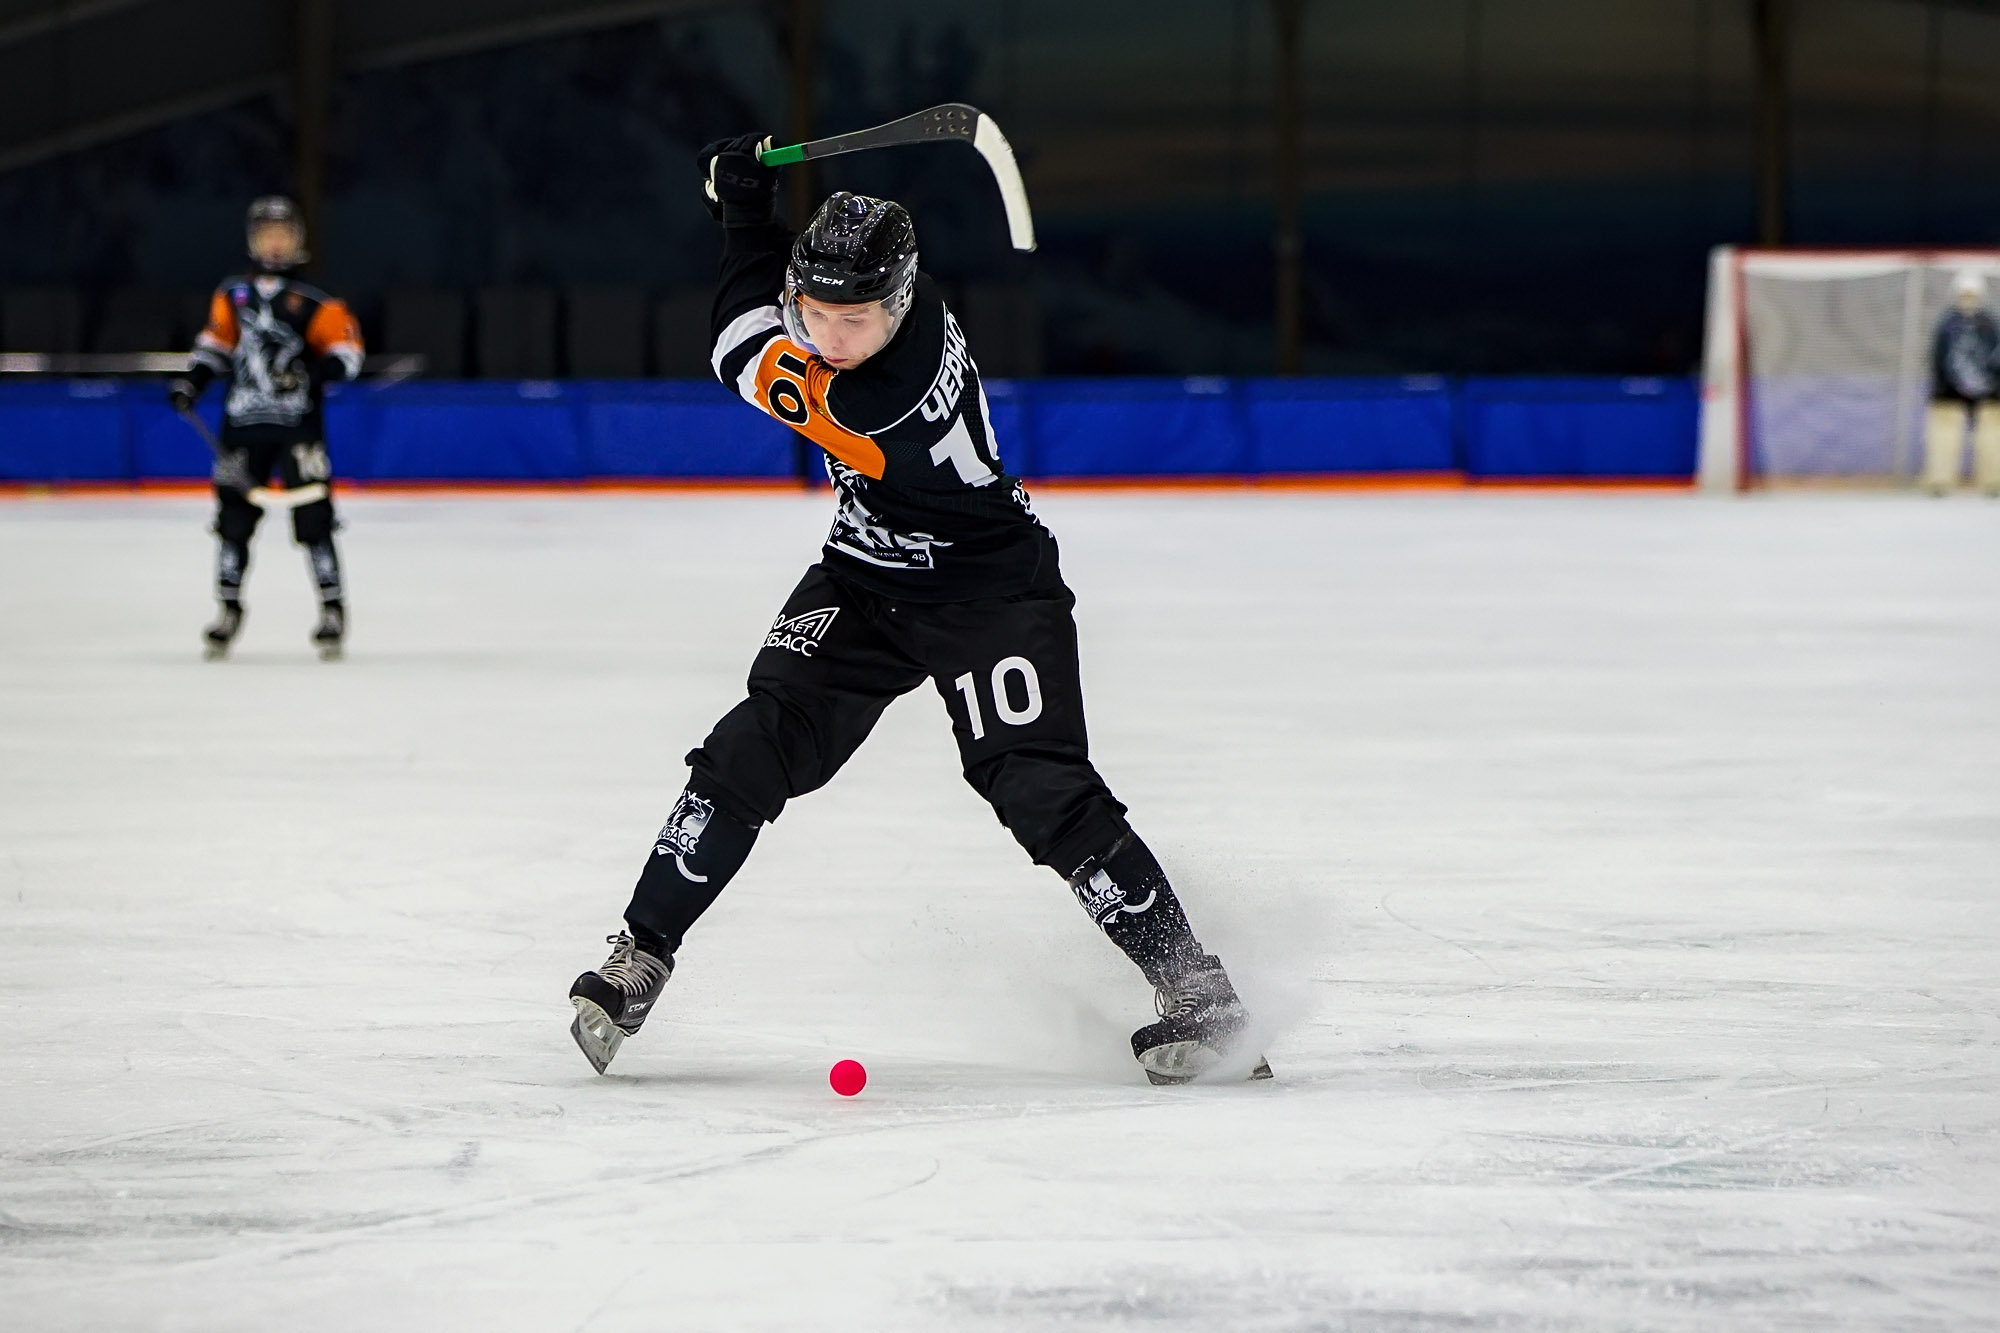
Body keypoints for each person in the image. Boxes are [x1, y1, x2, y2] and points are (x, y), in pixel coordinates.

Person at [567, 135, 1269, 1086]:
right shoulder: (896, 304)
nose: (827, 335)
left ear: (896, 306)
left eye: (850, 320)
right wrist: (756, 212)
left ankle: (1198, 990)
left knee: (1036, 786)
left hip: (988, 589)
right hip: (864, 576)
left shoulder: (872, 401)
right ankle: (640, 953)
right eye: (812, 312)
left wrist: (741, 215)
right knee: (752, 744)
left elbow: (734, 338)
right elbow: (775, 294)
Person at [168, 196, 364, 659]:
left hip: (299, 428)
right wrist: (192, 383)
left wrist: (314, 375)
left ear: (298, 241)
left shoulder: (318, 301)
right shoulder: (233, 295)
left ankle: (332, 608)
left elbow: (348, 354)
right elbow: (214, 345)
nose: (275, 243)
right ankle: (229, 607)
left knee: (315, 520)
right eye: (266, 234)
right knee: (233, 521)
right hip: (242, 426)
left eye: (284, 234)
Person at [1921, 269, 2000, 497]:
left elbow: (1937, 356)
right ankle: (1940, 480)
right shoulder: (1954, 323)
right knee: (1945, 436)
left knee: (1991, 435)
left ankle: (1992, 481)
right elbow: (1938, 357)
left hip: (1982, 389)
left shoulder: (1980, 323)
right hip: (1958, 389)